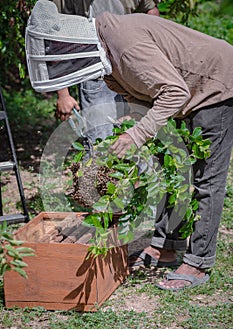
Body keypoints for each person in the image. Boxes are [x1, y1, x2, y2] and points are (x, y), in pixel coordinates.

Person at [26, 0, 233, 291]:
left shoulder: (126, 47)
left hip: (216, 84)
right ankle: (166, 246)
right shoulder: (108, 61)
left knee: (205, 178)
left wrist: (135, 137)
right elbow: (141, 100)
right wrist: (126, 147)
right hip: (186, 92)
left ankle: (199, 263)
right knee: (174, 169)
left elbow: (174, 92)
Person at [51, 0, 160, 142]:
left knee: (141, 140)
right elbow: (56, 40)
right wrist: (63, 94)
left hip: (132, 74)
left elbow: (151, 11)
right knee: (101, 142)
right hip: (96, 76)